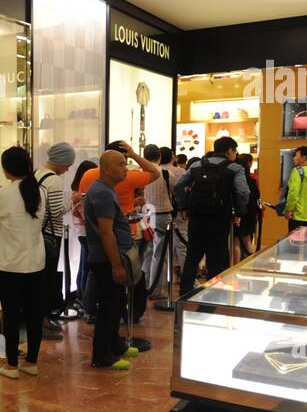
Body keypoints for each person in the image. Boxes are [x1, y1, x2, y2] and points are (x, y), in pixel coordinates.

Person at [0, 146, 47, 379]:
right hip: (35, 262)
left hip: (8, 264)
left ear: (5, 169)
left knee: (10, 314)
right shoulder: (38, 191)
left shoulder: (0, 195)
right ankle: (31, 362)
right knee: (34, 314)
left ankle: (11, 365)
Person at [85, 150, 140, 371]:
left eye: (125, 164)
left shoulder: (107, 191)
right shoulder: (103, 193)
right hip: (106, 260)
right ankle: (101, 355)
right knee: (108, 307)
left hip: (111, 257)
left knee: (116, 304)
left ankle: (114, 345)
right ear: (106, 168)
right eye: (121, 164)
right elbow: (106, 233)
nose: (125, 168)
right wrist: (116, 264)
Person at [174, 136, 250, 294]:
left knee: (192, 257)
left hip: (196, 217)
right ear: (230, 150)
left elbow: (178, 185)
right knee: (215, 260)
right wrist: (239, 212)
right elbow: (243, 192)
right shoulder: (234, 168)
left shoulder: (196, 165)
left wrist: (184, 206)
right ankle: (212, 296)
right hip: (220, 218)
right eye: (235, 151)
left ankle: (184, 294)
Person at [34, 142, 76, 340]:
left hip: (37, 235)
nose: (68, 168)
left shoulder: (37, 174)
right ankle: (42, 322)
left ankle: (41, 319)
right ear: (60, 161)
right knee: (47, 280)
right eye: (67, 164)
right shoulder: (54, 181)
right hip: (51, 236)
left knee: (40, 281)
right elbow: (57, 211)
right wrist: (74, 202)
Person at [143, 146, 181, 298]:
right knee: (160, 254)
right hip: (163, 214)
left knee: (148, 252)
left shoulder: (141, 173)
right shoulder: (166, 173)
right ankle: (157, 290)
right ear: (159, 157)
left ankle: (146, 286)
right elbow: (175, 192)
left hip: (146, 214)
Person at [68, 160, 98, 320]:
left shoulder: (77, 192)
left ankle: (82, 298)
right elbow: (87, 215)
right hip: (87, 233)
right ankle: (84, 300)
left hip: (82, 232)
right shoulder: (82, 194)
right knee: (87, 267)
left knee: (84, 265)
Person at [234, 153, 261, 258]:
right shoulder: (253, 180)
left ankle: (234, 268)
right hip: (250, 213)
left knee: (236, 242)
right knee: (247, 241)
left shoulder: (234, 181)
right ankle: (250, 266)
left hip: (238, 214)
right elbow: (257, 196)